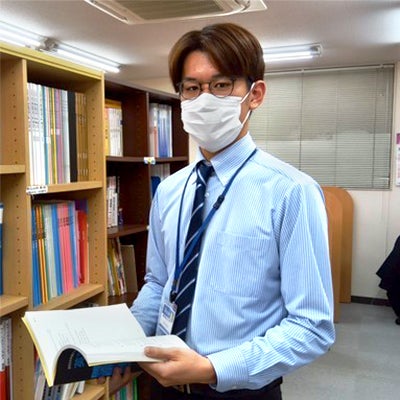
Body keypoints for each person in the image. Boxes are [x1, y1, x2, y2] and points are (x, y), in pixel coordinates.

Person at [115, 22, 335, 399]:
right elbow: (159, 283)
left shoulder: (291, 192)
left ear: (255, 94)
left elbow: (312, 326)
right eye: (191, 88)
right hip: (163, 387)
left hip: (239, 390)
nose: (204, 99)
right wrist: (126, 339)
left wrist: (213, 369)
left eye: (220, 85)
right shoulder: (169, 190)